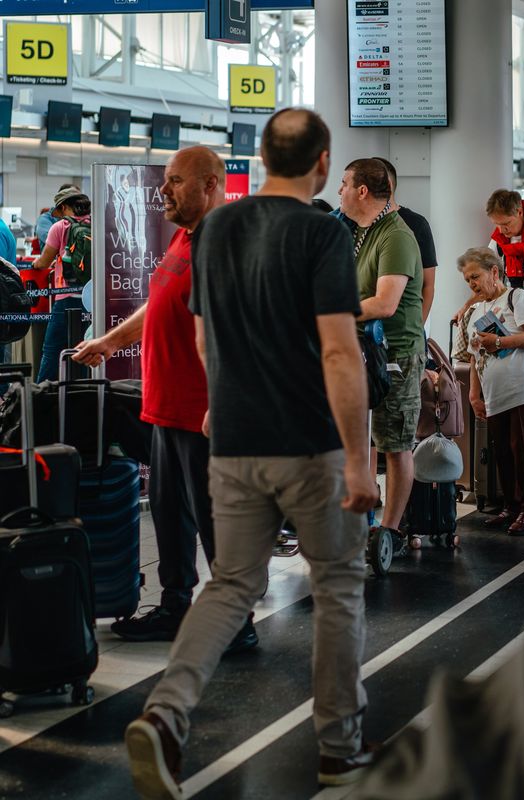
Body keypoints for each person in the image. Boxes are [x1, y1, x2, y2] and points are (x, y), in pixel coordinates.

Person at [124, 108, 378, 799]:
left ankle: (167, 712)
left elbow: (206, 343)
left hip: (231, 442)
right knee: (336, 589)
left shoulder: (217, 229)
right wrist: (359, 458)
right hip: (306, 444)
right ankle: (339, 749)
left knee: (230, 584)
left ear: (261, 158)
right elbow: (338, 349)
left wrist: (225, 409)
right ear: (323, 161)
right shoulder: (323, 233)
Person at [73, 148, 256, 653]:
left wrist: (222, 402)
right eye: (166, 180)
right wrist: (110, 341)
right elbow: (160, 302)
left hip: (201, 411)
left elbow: (236, 332)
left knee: (218, 519)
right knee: (170, 514)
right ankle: (177, 606)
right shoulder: (185, 237)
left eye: (176, 181)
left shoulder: (224, 245)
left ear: (212, 185)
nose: (163, 189)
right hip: (165, 406)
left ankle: (237, 621)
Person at [339, 157, 425, 545]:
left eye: (343, 184)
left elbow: (385, 303)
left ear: (362, 191)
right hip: (358, 351)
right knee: (358, 441)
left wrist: (330, 312)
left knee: (394, 444)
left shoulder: (397, 235)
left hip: (396, 355)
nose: (338, 191)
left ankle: (390, 530)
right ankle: (361, 521)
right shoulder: (356, 230)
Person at [459, 247, 524, 534]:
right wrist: (474, 394)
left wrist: (499, 342)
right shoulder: (474, 312)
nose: (472, 284)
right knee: (505, 453)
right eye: (467, 280)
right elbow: (474, 356)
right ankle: (512, 505)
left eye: (475, 276)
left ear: (494, 272)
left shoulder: (517, 297)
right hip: (495, 393)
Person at [32, 187, 91, 381]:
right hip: (90, 299)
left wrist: (35, 264)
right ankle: (82, 394)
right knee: (85, 350)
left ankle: (41, 396)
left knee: (51, 349)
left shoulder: (60, 227)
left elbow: (44, 261)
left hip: (66, 298)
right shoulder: (95, 223)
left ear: (64, 207)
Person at [373, 157, 439, 324]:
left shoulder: (416, 224)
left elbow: (428, 285)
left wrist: (418, 328)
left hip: (405, 326)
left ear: (387, 185)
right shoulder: (355, 223)